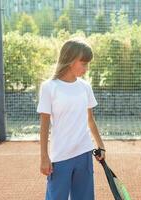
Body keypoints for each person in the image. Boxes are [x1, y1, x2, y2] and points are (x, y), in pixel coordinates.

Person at [37, 38, 105, 200]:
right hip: (60, 156)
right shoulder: (49, 87)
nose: (86, 68)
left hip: (84, 153)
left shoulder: (85, 87)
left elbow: (90, 119)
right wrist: (44, 157)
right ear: (70, 60)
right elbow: (44, 126)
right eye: (83, 63)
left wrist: (100, 145)